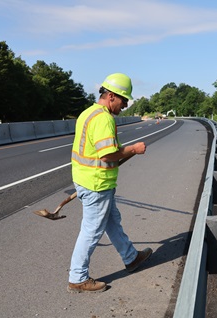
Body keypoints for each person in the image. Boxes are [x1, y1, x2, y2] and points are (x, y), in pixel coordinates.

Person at [68, 73, 153, 293]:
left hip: (87, 180)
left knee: (112, 221)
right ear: (112, 96)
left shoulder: (88, 113)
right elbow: (107, 155)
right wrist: (134, 149)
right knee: (91, 231)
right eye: (124, 100)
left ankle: (131, 257)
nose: (125, 105)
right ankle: (77, 278)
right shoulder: (104, 118)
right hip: (97, 184)